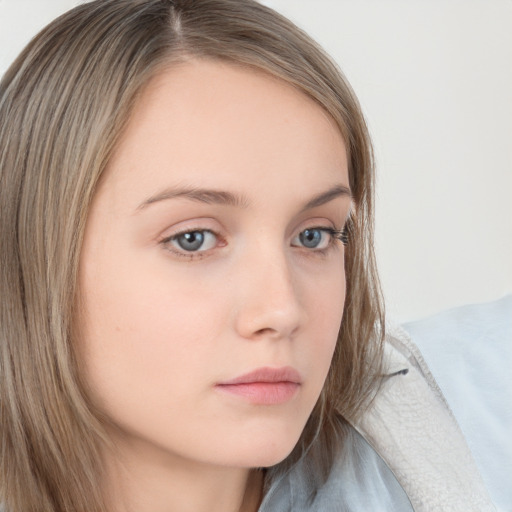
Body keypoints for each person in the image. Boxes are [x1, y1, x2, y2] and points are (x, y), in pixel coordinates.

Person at [0, 1, 495, 511]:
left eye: (313, 236)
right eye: (193, 238)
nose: (282, 311)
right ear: (30, 253)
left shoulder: (460, 414)